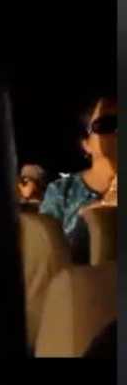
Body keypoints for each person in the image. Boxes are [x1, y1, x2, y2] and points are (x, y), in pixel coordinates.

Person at [39, 96, 117, 262]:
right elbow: (49, 259)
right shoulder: (61, 191)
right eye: (108, 124)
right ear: (86, 144)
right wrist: (100, 209)